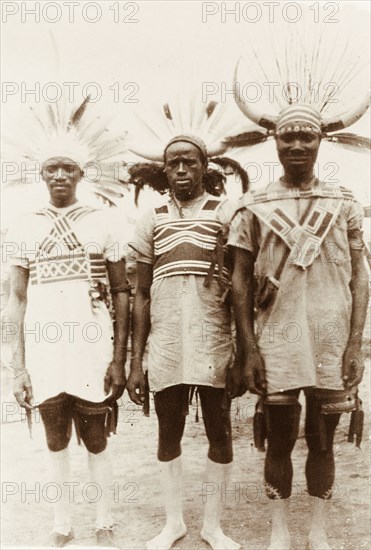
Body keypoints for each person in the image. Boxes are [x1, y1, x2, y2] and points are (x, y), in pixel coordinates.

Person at [228, 103, 369, 550]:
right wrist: (248, 349)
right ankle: (279, 531)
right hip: (278, 342)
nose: (296, 145)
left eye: (306, 137)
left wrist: (354, 343)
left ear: (320, 141)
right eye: (287, 137)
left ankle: (318, 531)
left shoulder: (344, 202)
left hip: (330, 339)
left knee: (324, 441)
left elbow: (360, 275)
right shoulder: (254, 205)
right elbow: (239, 281)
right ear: (274, 142)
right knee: (280, 440)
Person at [5, 146, 130, 547]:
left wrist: (118, 358)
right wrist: (18, 365)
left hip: (91, 346)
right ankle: (62, 522)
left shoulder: (103, 220)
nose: (59, 175)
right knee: (54, 435)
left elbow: (121, 290)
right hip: (44, 348)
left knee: (96, 435)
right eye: (50, 168)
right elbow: (17, 299)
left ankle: (104, 519)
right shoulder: (24, 225)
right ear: (42, 175)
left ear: (81, 173)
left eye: (68, 168)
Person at [127, 134, 244, 550]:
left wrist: (241, 350)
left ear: (204, 166)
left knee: (219, 431)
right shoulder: (152, 216)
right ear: (165, 169)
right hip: (167, 341)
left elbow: (242, 283)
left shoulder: (225, 212)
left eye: (189, 162)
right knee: (168, 430)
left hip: (213, 337)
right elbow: (141, 294)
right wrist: (135, 359)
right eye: (173, 162)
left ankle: (213, 526)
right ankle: (173, 523)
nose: (181, 170)